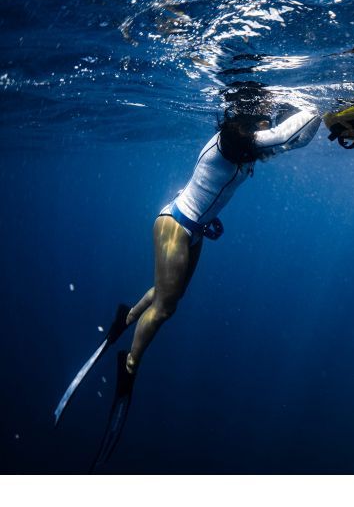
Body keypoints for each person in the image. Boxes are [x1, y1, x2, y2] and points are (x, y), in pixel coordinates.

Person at [55, 81, 321, 467]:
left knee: (168, 295)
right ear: (247, 114)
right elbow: (292, 131)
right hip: (176, 225)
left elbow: (288, 140)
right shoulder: (234, 139)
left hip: (191, 229)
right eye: (262, 110)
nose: (267, 115)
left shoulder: (243, 142)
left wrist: (300, 113)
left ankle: (124, 319)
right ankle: (129, 366)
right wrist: (309, 105)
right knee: (165, 308)